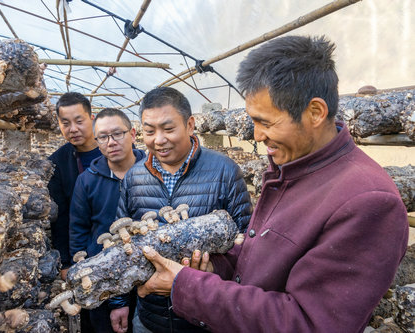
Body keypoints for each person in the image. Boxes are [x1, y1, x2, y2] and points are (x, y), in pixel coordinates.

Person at [137, 35, 409, 333]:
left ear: (315, 113)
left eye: (266, 122)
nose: (256, 135)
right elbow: (257, 258)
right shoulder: (291, 170)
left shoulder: (368, 201)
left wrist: (188, 287)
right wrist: (215, 268)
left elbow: (309, 323)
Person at [116, 86, 253, 333]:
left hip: (206, 318)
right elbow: (122, 245)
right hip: (150, 318)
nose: (158, 139)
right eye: (149, 131)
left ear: (190, 125)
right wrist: (124, 300)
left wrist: (212, 269)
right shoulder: (133, 178)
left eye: (168, 129)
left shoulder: (224, 171)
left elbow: (247, 245)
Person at [70, 108, 146, 333]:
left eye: (117, 134)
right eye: (103, 137)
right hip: (104, 278)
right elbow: (78, 229)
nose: (111, 142)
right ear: (97, 141)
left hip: (148, 279)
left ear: (132, 134)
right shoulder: (87, 181)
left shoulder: (153, 171)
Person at [48, 92, 102, 280]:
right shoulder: (57, 163)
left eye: (79, 121)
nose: (73, 129)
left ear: (92, 118)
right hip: (81, 250)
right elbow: (60, 216)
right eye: (66, 123)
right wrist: (65, 261)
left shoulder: (112, 150)